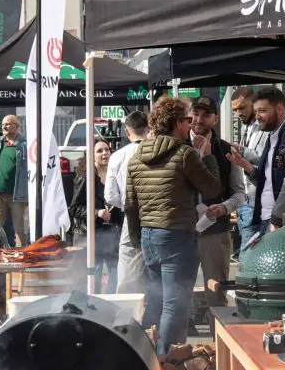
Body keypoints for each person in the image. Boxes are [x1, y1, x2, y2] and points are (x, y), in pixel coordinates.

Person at [124, 97, 221, 355]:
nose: (191, 124)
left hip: (148, 235)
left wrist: (137, 243)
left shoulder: (136, 159)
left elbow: (130, 207)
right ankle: (165, 362)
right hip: (176, 236)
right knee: (174, 305)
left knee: (155, 301)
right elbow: (212, 188)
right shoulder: (184, 154)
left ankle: (144, 356)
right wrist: (208, 157)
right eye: (188, 120)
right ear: (178, 124)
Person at [227, 86, 285, 233]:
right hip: (268, 219)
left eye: (262, 111)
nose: (257, 116)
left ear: (280, 109)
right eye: (256, 111)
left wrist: (276, 220)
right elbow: (268, 181)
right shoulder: (273, 137)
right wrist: (246, 167)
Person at [188, 96, 245, 308]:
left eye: (206, 115)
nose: (199, 119)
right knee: (180, 295)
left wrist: (224, 207)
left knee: (217, 294)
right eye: (196, 113)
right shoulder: (177, 145)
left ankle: (217, 340)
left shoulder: (226, 149)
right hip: (182, 232)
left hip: (215, 232)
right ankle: (177, 342)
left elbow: (240, 193)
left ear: (216, 119)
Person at [103, 111, 149, 294]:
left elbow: (110, 195)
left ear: (127, 132)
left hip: (131, 214)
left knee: (128, 264)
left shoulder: (117, 156)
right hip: (159, 214)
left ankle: (127, 313)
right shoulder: (159, 151)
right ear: (148, 129)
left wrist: (124, 204)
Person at [70, 140, 121, 294]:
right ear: (92, 155)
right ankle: (96, 305)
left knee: (116, 272)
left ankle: (110, 304)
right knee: (96, 274)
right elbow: (74, 208)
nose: (105, 153)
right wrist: (96, 212)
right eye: (99, 151)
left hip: (112, 232)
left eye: (107, 149)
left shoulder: (115, 175)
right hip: (93, 233)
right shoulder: (86, 178)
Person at [229, 87, 269, 247]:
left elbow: (264, 159)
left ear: (254, 103)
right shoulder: (247, 127)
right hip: (244, 200)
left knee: (248, 254)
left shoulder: (265, 128)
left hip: (257, 201)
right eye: (235, 110)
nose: (238, 113)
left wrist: (241, 150)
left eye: (242, 107)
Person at [0, 115, 29, 246]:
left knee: (19, 229)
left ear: (17, 126)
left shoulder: (25, 144)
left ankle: (22, 258)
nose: (4, 126)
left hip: (17, 195)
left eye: (8, 124)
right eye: (3, 124)